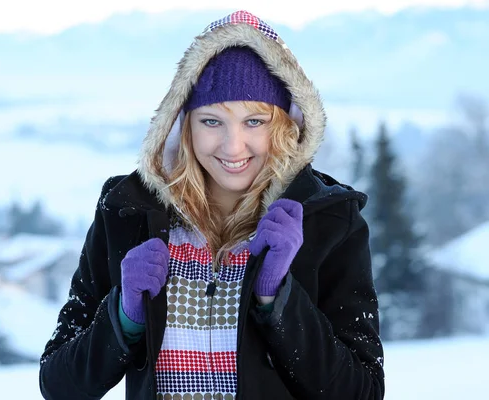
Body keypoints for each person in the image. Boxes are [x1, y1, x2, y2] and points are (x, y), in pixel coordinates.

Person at [39, 10, 385, 400]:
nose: (232, 146)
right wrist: (124, 314)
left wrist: (278, 298)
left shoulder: (331, 221)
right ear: (181, 124)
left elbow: (362, 392)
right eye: (211, 121)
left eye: (255, 121)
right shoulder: (126, 212)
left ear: (287, 124)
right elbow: (59, 385)